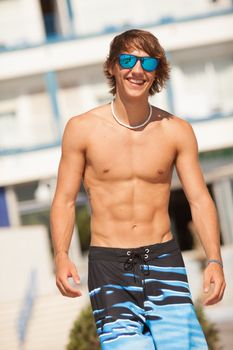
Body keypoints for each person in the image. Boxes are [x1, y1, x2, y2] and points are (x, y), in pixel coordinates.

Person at [50, 29, 226, 349]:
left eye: (147, 63)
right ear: (113, 67)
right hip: (109, 267)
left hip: (164, 260)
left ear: (157, 71)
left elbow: (199, 199)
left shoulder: (177, 131)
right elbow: (63, 199)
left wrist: (214, 259)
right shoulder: (81, 129)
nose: (137, 70)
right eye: (128, 60)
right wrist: (61, 255)